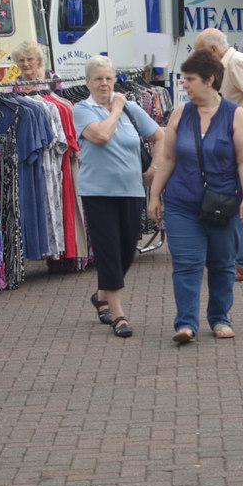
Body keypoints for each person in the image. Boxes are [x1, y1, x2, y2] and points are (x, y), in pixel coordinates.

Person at [147, 50, 243, 344]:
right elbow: (168, 157)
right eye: (184, 79)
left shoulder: (235, 114)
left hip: (223, 203)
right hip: (182, 203)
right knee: (186, 263)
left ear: (210, 80)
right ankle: (185, 323)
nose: (185, 85)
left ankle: (219, 317)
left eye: (190, 80)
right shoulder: (180, 113)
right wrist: (154, 194)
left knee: (221, 264)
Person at [73, 55, 163, 338]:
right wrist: (116, 108)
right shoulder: (81, 109)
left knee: (126, 252)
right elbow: (101, 135)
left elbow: (160, 136)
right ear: (87, 82)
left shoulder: (132, 108)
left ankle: (101, 295)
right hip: (97, 192)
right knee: (109, 251)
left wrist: (153, 169)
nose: (104, 84)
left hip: (131, 190)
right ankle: (118, 314)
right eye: (98, 78)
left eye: (109, 78)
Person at [195, 28, 243, 281]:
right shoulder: (229, 65)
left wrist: (231, 123)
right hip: (237, 144)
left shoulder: (236, 62)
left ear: (214, 50)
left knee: (239, 200)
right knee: (235, 199)